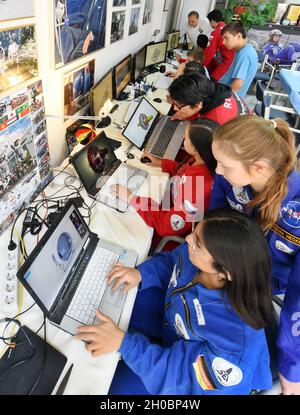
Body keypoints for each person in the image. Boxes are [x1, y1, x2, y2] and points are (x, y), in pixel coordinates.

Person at [75, 208, 274, 395]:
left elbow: (181, 379)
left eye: (197, 243)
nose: (187, 239)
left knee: (104, 385)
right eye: (195, 232)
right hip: (171, 325)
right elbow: (172, 261)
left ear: (225, 272)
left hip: (182, 379)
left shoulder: (235, 350)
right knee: (106, 303)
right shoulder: (196, 255)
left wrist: (124, 344)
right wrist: (141, 274)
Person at [209, 115, 300, 395]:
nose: (217, 170)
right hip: (233, 272)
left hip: (277, 291)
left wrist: (291, 371)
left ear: (258, 167)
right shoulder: (230, 179)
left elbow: (297, 304)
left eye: (224, 165)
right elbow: (214, 224)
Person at [113, 119, 217, 237]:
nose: (182, 136)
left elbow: (164, 226)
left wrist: (131, 198)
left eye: (186, 137)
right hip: (169, 201)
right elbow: (184, 171)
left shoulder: (196, 190)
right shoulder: (203, 160)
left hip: (166, 222)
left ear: (196, 148)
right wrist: (160, 163)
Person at [168, 72, 250, 125]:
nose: (175, 108)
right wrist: (184, 115)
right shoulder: (215, 90)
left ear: (196, 105)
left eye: (178, 105)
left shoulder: (212, 124)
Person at [220, 22, 258, 98]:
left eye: (226, 38)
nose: (223, 42)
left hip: (228, 97)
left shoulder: (244, 54)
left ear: (238, 36)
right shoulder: (242, 50)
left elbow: (237, 84)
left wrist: (220, 98)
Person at [203, 9, 235, 81]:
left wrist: (201, 67)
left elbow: (210, 52)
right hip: (230, 62)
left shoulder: (216, 32)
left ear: (212, 21)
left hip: (223, 64)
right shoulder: (226, 27)